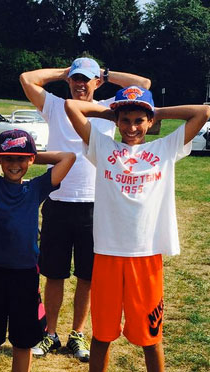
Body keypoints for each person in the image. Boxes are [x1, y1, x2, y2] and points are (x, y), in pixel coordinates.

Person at [64, 86, 210, 372]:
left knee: (150, 337)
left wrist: (154, 111)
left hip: (146, 254)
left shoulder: (164, 148)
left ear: (150, 122)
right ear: (117, 122)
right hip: (107, 253)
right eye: (125, 120)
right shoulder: (104, 147)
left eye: (139, 120)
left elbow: (203, 112)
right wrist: (112, 112)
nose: (131, 127)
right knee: (102, 335)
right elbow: (72, 107)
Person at [19, 57, 151, 361]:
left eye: (86, 79)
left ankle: (77, 334)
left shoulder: (109, 108)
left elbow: (143, 86)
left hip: (97, 204)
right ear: (69, 81)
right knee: (54, 274)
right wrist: (65, 72)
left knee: (87, 276)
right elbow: (27, 78)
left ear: (97, 83)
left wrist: (105, 73)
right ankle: (50, 333)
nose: (80, 84)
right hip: (58, 202)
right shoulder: (53, 104)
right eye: (75, 79)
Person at [0, 129, 75, 372]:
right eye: (9, 159)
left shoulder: (36, 189)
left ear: (31, 160)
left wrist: (28, 152)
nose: (15, 164)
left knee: (23, 343)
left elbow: (68, 158)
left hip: (24, 276)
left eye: (21, 158)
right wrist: (1, 149)